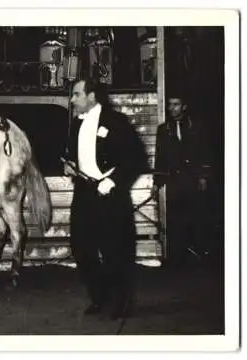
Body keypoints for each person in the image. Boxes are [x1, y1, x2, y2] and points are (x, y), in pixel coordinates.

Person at [63, 76, 149, 320]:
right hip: (84, 193)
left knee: (115, 250)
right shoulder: (76, 124)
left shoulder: (117, 122)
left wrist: (113, 182)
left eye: (76, 94)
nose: (72, 100)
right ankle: (100, 296)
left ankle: (122, 302)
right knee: (81, 248)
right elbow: (72, 153)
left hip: (111, 195)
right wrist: (69, 165)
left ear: (91, 97)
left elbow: (136, 159)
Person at [153, 90, 211, 267]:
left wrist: (203, 177)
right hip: (174, 182)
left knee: (195, 217)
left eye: (176, 104)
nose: (172, 108)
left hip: (192, 180)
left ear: (184, 107)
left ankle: (199, 254)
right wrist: (157, 183)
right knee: (175, 218)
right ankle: (177, 258)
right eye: (170, 104)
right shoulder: (164, 130)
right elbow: (160, 157)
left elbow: (205, 153)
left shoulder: (196, 127)